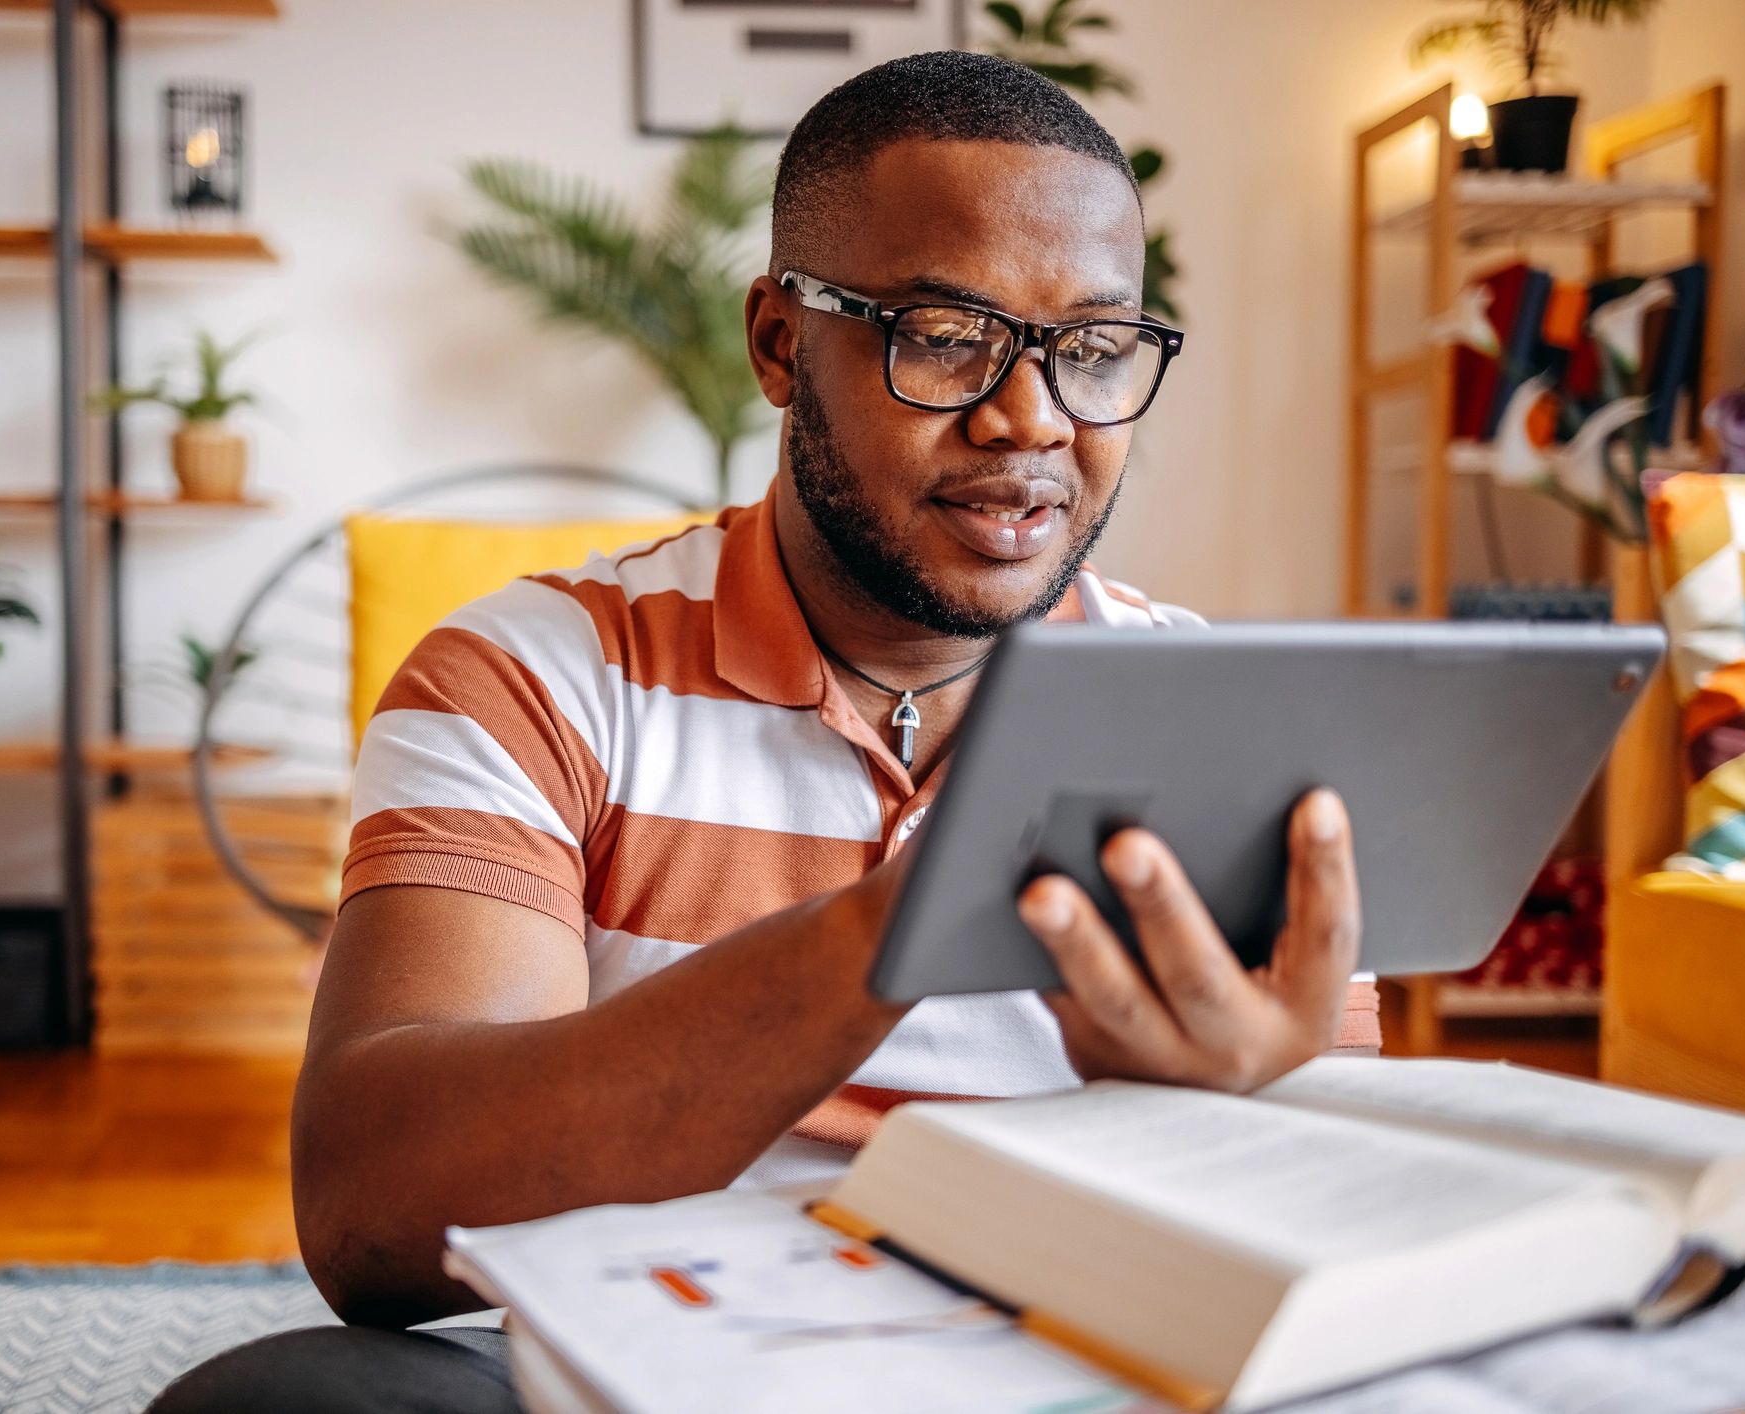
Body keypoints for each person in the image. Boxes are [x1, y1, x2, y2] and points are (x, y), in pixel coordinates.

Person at [154, 49, 1371, 1414]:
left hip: (1076, 1366)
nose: (1030, 415)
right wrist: (889, 935)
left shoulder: (1216, 715)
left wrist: (1202, 1119)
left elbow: (1343, 1223)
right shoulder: (528, 675)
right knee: (286, 1403)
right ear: (782, 343)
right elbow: (374, 1215)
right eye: (947, 334)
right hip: (642, 1368)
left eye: (1090, 348)